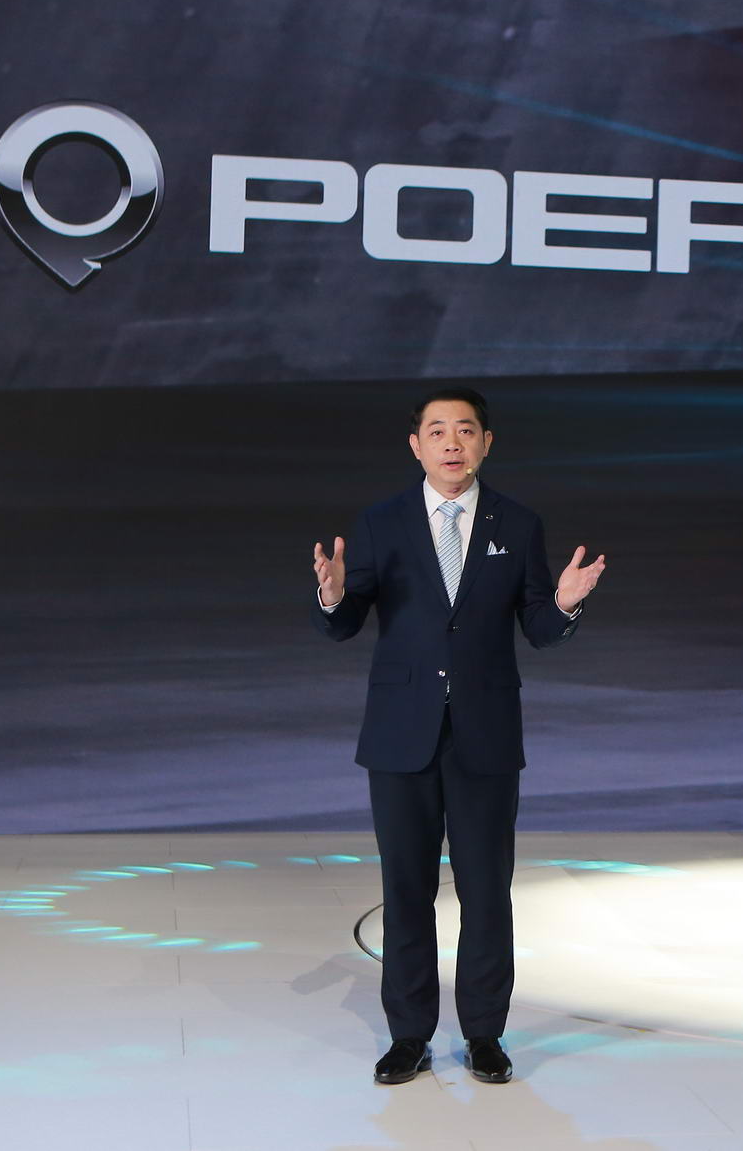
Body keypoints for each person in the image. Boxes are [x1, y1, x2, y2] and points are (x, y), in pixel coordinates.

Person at [311, 386, 605, 1085]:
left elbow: (538, 626)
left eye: (466, 430)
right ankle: (408, 1035)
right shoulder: (381, 522)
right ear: (416, 445)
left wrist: (564, 605)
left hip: (485, 734)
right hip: (400, 735)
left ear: (486, 443)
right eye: (438, 430)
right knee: (406, 890)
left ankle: (484, 1034)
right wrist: (332, 593)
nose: (452, 442)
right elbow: (345, 623)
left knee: (486, 889)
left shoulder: (518, 523)